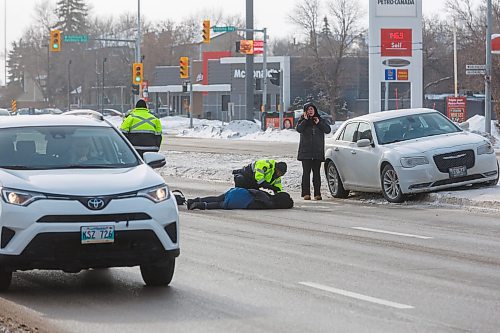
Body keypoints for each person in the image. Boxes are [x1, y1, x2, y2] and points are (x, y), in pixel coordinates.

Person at [296, 102, 331, 200]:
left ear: (315, 110)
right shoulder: (302, 121)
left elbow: (328, 130)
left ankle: (317, 194)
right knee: (306, 173)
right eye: (308, 109)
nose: (310, 111)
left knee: (317, 173)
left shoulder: (320, 120)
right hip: (305, 151)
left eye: (312, 109)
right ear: (305, 111)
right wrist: (306, 121)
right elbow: (299, 129)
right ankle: (306, 193)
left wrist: (319, 123)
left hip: (317, 151)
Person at [187, 188, 294, 210]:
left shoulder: (266, 195)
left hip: (239, 191)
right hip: (241, 200)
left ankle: (195, 200)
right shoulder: (269, 204)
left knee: (217, 198)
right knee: (220, 204)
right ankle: (200, 205)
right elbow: (252, 205)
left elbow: (254, 190)